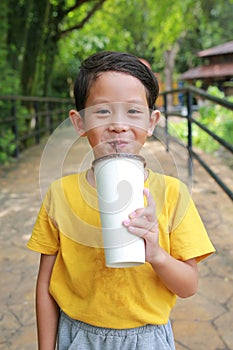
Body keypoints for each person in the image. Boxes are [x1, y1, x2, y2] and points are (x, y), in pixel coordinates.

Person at [27, 51, 215, 350]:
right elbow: (45, 286)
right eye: (102, 111)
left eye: (133, 112)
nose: (118, 125)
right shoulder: (60, 195)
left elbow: (188, 286)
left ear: (152, 122)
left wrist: (156, 255)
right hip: (77, 336)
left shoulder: (172, 193)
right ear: (79, 122)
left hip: (148, 338)